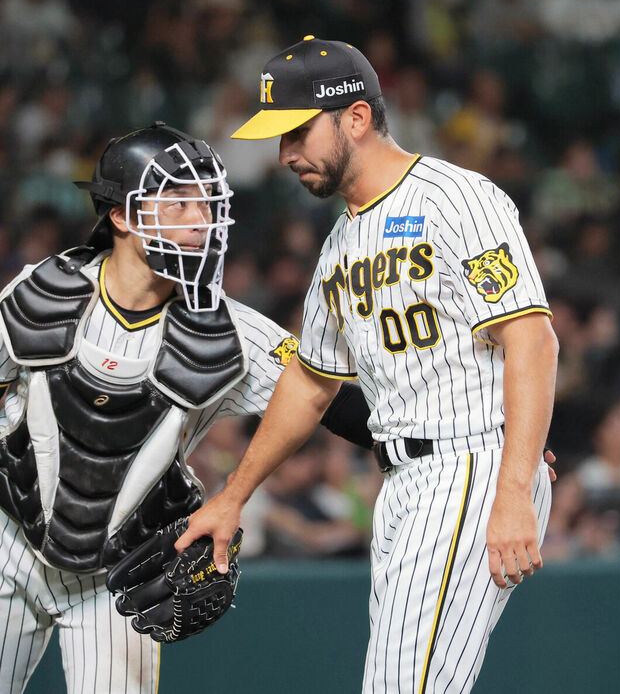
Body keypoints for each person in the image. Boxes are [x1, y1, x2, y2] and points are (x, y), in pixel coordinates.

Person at [176, 36, 558, 693]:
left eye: (296, 132)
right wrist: (232, 496)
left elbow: (532, 338)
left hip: (469, 466)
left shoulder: (455, 198)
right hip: (405, 483)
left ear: (354, 117)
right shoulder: (341, 242)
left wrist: (512, 487)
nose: (285, 154)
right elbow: (311, 381)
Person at [0, 121, 374, 694]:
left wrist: (475, 438)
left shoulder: (230, 332)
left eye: (205, 203)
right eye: (177, 203)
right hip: (8, 548)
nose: (200, 220)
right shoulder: (40, 292)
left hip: (117, 577)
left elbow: (341, 405)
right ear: (122, 217)